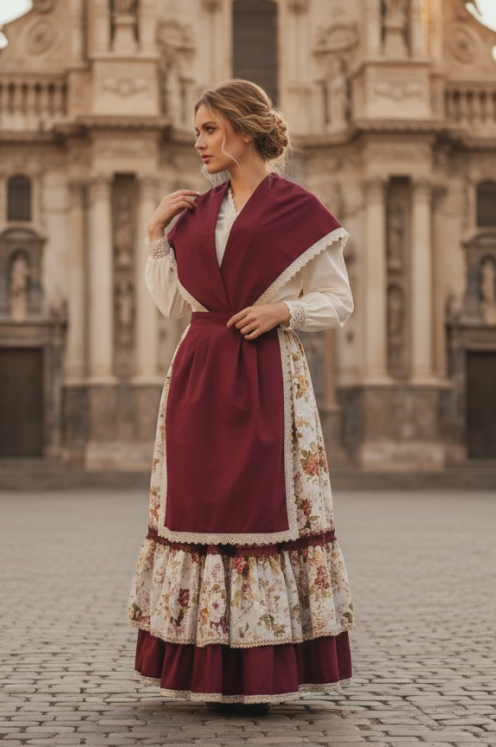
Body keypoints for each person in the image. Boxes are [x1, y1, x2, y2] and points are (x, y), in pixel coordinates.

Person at [127, 79, 355, 710]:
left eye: (208, 129)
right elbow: (175, 302)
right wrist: (154, 236)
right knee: (197, 510)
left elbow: (339, 300)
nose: (198, 143)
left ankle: (263, 666)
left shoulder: (299, 209)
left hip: (268, 378)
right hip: (198, 374)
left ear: (244, 131)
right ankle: (200, 664)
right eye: (197, 131)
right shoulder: (197, 214)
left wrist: (284, 309)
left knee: (262, 508)